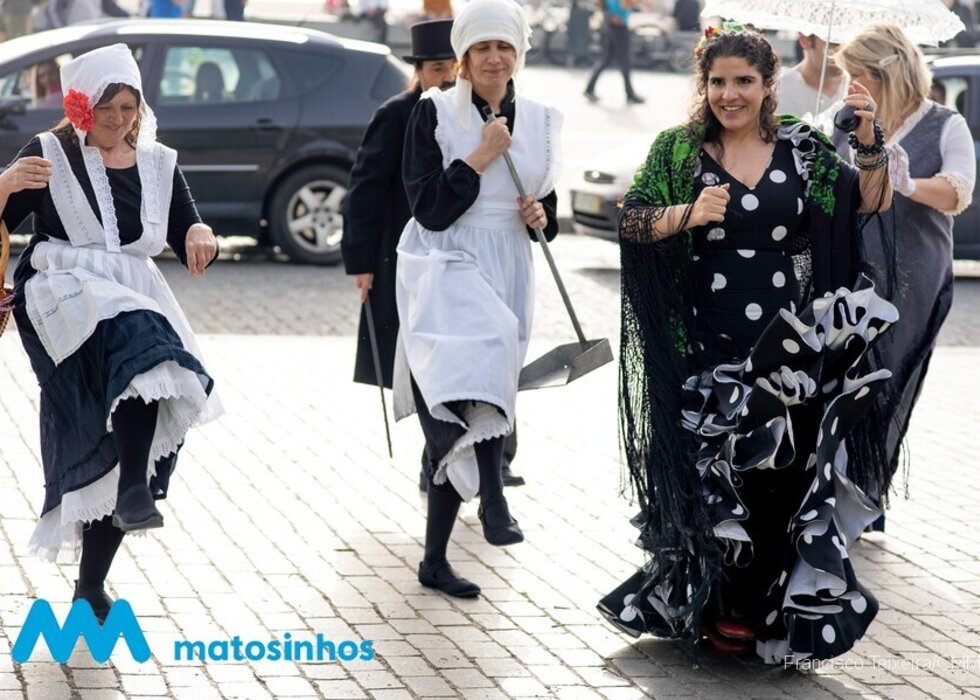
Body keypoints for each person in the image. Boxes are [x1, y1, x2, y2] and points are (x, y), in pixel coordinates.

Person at [597, 24, 896, 664]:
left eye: (744, 81)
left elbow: (867, 203)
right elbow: (631, 221)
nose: (729, 94)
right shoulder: (680, 150)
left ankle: (759, 608)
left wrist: (868, 140)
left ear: (768, 85)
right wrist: (688, 214)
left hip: (786, 347)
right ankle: (716, 605)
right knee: (714, 474)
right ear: (703, 85)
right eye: (718, 82)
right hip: (705, 342)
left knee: (778, 475)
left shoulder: (805, 148)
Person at [0, 44, 222, 622]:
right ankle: (133, 493)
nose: (120, 119)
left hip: (134, 289)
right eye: (107, 107)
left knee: (130, 419)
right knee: (143, 341)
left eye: (129, 107)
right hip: (62, 292)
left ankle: (94, 578)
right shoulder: (48, 153)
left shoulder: (158, 163)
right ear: (81, 106)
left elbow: (187, 225)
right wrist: (3, 186)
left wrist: (200, 232)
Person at [392, 0, 562, 598]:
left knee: (464, 408)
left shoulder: (541, 119)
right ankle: (493, 496)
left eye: (504, 47)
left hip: (507, 262)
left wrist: (542, 217)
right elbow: (429, 209)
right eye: (482, 47)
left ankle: (434, 559)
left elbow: (548, 211)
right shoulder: (434, 111)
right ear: (463, 55)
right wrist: (480, 155)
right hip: (445, 259)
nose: (494, 58)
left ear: (519, 52)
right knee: (482, 362)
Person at [837, 25, 975, 499]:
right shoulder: (847, 119)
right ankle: (835, 494)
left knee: (890, 383)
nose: (849, 86)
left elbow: (958, 192)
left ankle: (866, 495)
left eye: (856, 75)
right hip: (853, 271)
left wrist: (909, 183)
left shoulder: (945, 124)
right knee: (842, 382)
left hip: (915, 278)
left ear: (886, 75)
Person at [583, 0, 644, 104]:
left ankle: (589, 89)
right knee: (625, 61)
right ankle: (630, 95)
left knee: (606, 60)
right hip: (619, 26)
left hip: (609, 25)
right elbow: (624, 5)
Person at [776, 34, 847, 119]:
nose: (841, 50)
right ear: (805, 40)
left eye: (846, 42)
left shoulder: (855, 84)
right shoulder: (780, 90)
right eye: (833, 42)